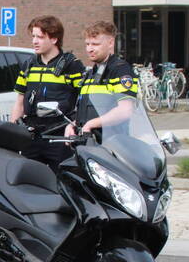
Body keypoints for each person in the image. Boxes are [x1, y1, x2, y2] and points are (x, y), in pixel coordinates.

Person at [9, 15, 84, 171]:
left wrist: (76, 125)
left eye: (40, 37)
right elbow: (20, 101)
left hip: (59, 135)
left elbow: (84, 100)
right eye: (33, 36)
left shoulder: (72, 65)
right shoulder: (29, 65)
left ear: (54, 39)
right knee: (29, 180)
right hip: (31, 135)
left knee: (61, 182)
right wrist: (12, 133)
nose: (34, 41)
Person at [67, 21, 137, 137]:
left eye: (95, 44)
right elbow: (87, 112)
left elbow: (125, 110)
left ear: (110, 43)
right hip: (89, 145)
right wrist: (72, 125)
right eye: (87, 44)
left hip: (112, 144)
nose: (89, 49)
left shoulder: (120, 70)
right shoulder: (90, 74)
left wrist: (91, 124)